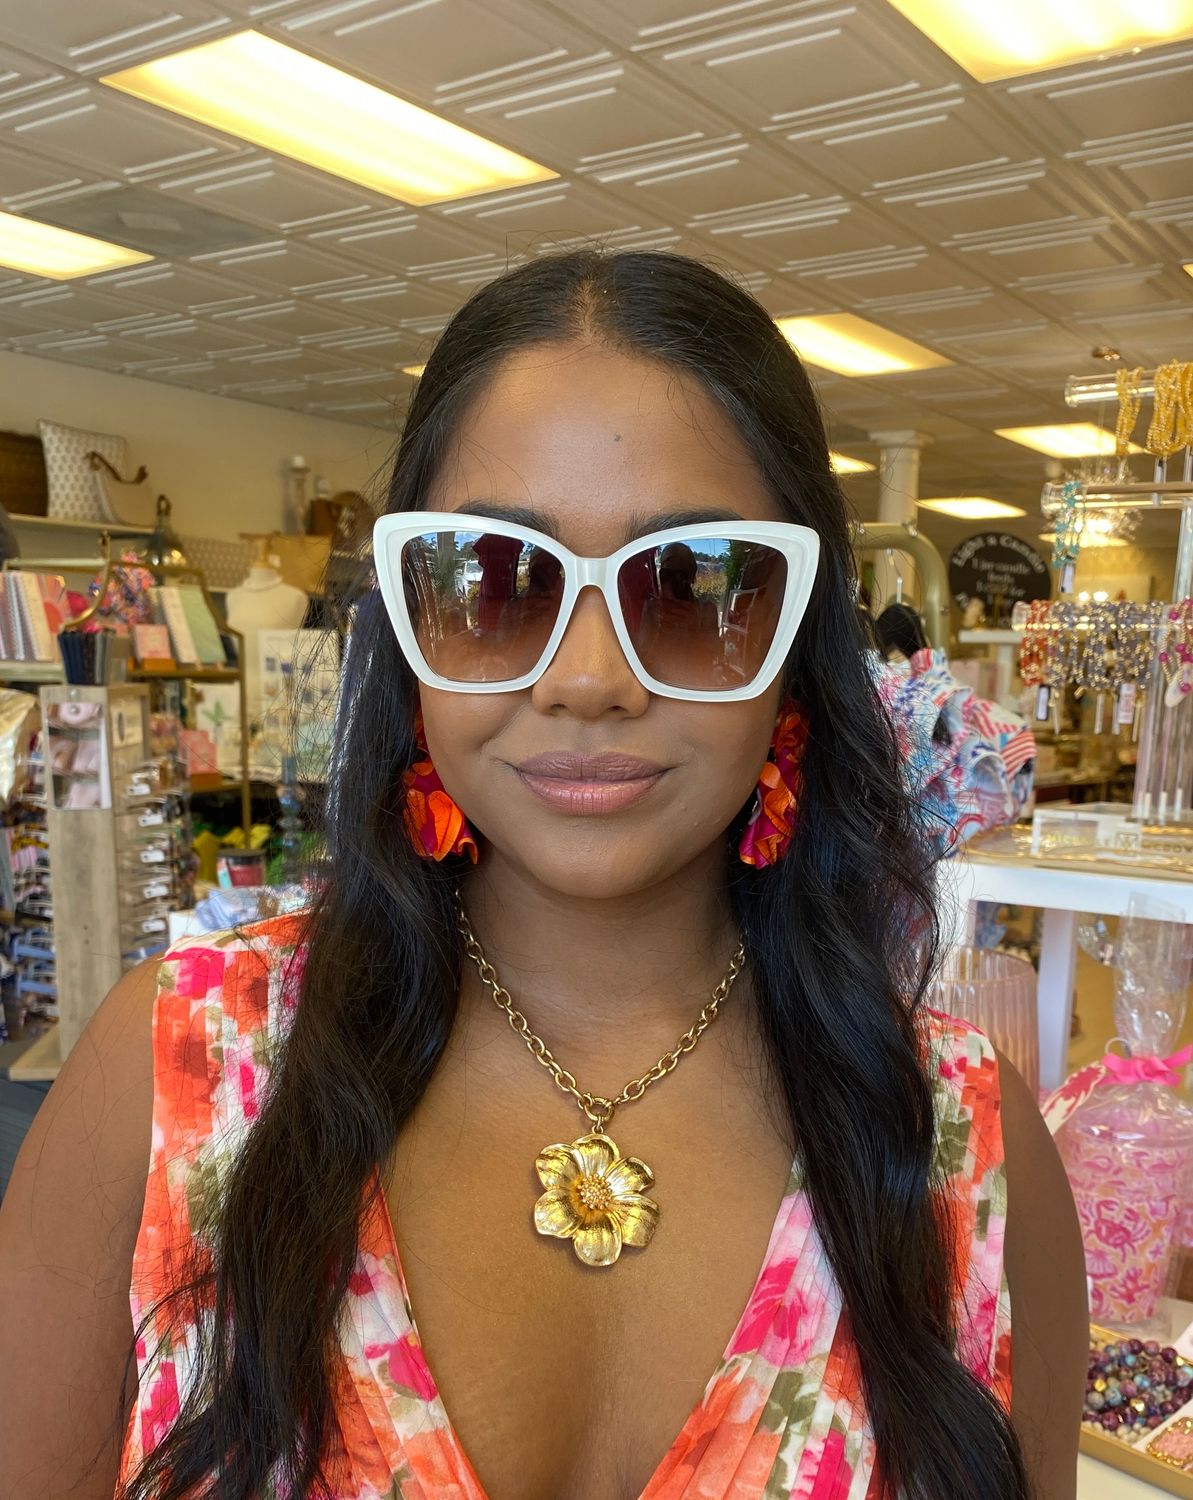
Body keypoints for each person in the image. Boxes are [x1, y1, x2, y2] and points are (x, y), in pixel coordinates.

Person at [0, 249, 1087, 1500]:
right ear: (409, 625)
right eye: (497, 584)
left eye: (691, 588)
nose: (586, 679)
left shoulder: (964, 1147)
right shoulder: (175, 1076)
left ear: (796, 640)